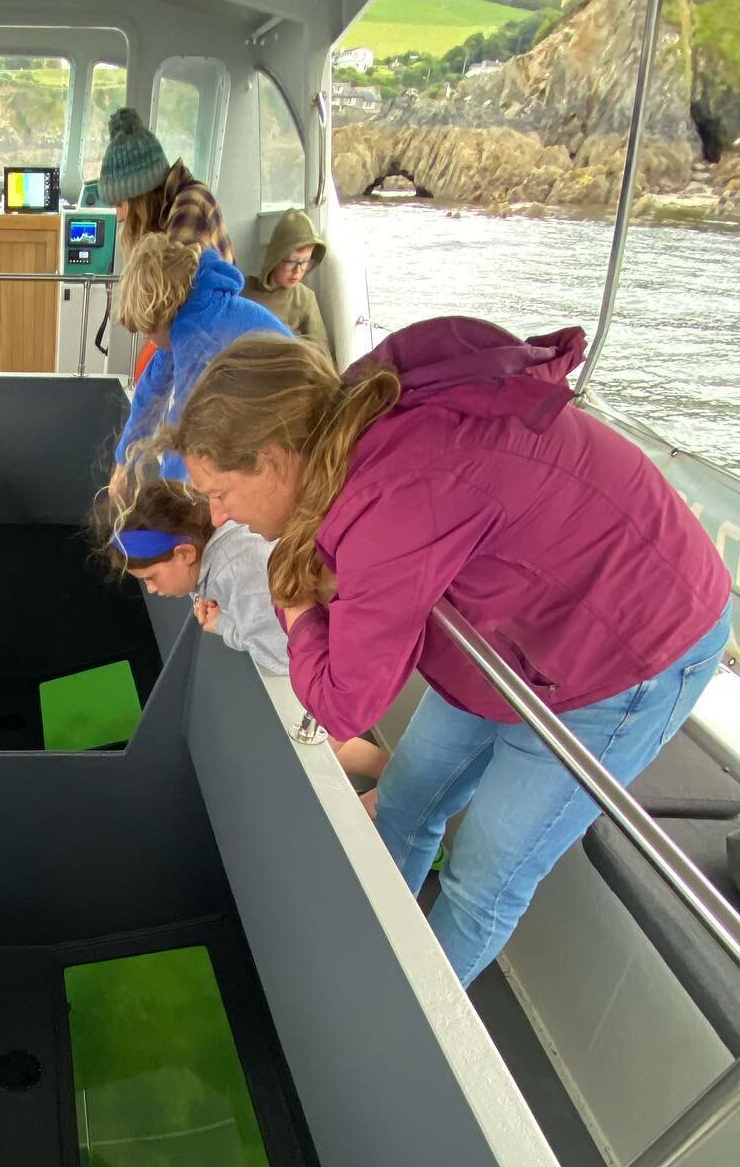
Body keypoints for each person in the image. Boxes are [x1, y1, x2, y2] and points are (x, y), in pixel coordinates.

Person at [162, 318, 732, 986]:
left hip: (632, 654)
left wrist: (292, 603)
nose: (220, 516)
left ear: (274, 457)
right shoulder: (344, 429)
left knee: (482, 878)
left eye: (219, 493)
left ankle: (398, 1033)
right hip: (513, 637)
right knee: (405, 799)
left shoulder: (398, 496)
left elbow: (345, 701)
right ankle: (366, 962)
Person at [97, 478, 388, 799]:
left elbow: (279, 655)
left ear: (184, 553)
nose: (151, 589)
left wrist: (226, 625)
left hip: (329, 660)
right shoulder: (221, 540)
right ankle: (390, 774)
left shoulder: (237, 574)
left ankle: (391, 786)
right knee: (335, 742)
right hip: (334, 644)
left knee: (325, 743)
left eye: (151, 577)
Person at [112, 237, 289, 484]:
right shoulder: (189, 310)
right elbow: (151, 391)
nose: (147, 339)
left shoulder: (197, 333)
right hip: (264, 407)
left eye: (148, 331)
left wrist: (169, 496)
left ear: (162, 315)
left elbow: (186, 423)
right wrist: (124, 461)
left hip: (288, 418)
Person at [97, 107, 234, 261]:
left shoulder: (190, 206)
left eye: (119, 204)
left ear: (140, 198)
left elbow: (169, 283)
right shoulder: (170, 211)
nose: (119, 217)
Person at [244, 209, 331, 355]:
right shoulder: (243, 290)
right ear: (275, 258)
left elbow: (321, 353)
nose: (298, 271)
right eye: (292, 262)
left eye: (305, 262)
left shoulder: (305, 299)